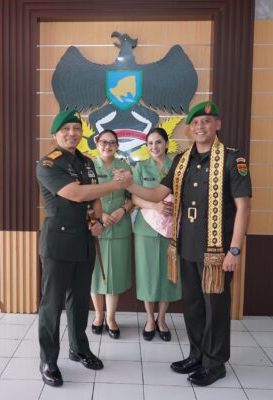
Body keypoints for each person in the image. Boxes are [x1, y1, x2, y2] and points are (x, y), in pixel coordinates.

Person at [120, 101, 251, 386]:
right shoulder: (182, 161)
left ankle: (215, 364)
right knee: (193, 305)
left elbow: (243, 207)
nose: (200, 126)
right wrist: (128, 184)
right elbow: (157, 193)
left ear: (217, 125)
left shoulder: (232, 159)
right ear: (189, 129)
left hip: (217, 251)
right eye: (196, 123)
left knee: (215, 308)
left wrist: (235, 249)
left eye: (207, 121)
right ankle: (197, 355)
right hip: (187, 246)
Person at [36, 109, 131, 387]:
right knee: (51, 304)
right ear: (55, 134)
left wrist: (98, 221)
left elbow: (95, 200)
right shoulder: (48, 164)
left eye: (76, 129)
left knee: (79, 300)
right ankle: (48, 360)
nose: (72, 133)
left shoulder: (87, 162)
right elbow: (77, 193)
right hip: (58, 243)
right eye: (65, 129)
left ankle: (78, 348)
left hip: (84, 240)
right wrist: (115, 184)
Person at [132, 127, 181, 342]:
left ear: (167, 144)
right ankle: (149, 319)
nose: (154, 147)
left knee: (167, 275)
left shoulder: (176, 166)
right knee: (147, 274)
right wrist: (155, 206)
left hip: (171, 229)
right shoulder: (141, 167)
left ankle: (162, 319)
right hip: (146, 229)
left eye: (158, 142)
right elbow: (134, 198)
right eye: (150, 143)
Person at [90, 129, 133, 340]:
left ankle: (111, 318)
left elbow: (133, 197)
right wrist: (101, 214)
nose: (107, 146)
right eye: (104, 142)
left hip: (119, 227)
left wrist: (122, 210)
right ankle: (98, 316)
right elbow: (84, 196)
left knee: (114, 275)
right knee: (95, 275)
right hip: (95, 227)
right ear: (97, 143)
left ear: (117, 146)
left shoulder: (124, 167)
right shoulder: (89, 166)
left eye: (112, 143)